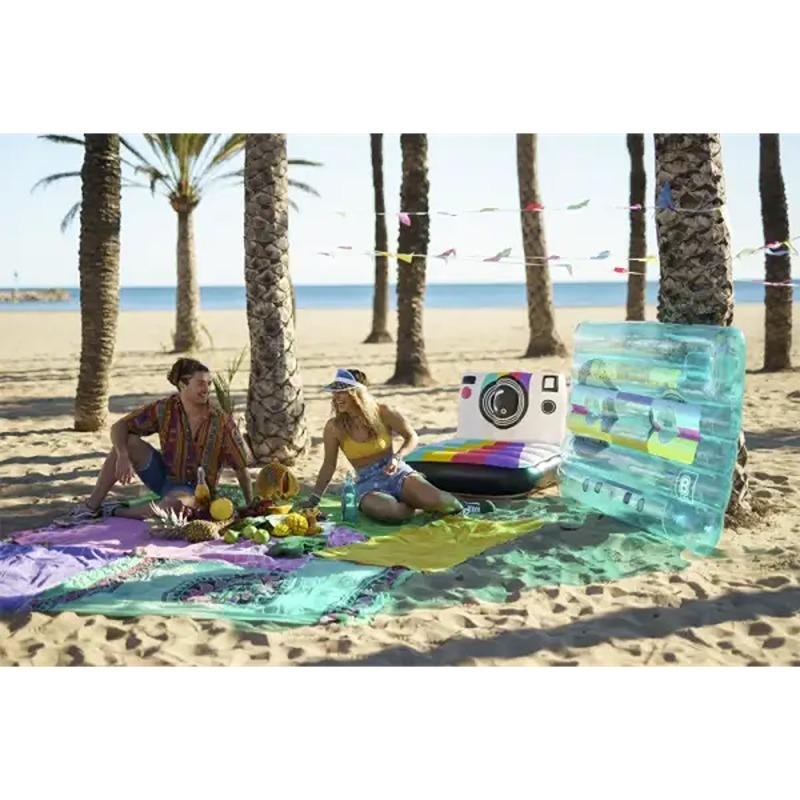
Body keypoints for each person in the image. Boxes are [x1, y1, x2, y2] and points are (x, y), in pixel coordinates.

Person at [55, 357, 254, 525]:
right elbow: (119, 427)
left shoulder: (221, 421)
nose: (207, 389)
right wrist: (123, 456)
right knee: (128, 442)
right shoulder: (164, 409)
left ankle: (114, 510)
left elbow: (241, 467)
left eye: (208, 384)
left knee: (175, 506)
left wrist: (250, 505)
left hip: (196, 491)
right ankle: (91, 508)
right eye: (201, 383)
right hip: (164, 477)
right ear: (182, 385)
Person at [301, 368, 493, 522]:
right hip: (367, 484)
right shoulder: (333, 427)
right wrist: (315, 498)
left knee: (443, 502)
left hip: (397, 472)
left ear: (357, 393)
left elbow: (411, 437)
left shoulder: (383, 412)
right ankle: (417, 507)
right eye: (335, 392)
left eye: (342, 391)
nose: (336, 397)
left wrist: (397, 456)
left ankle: (465, 506)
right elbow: (329, 465)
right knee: (391, 513)